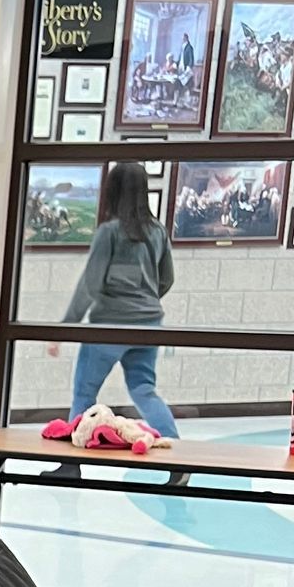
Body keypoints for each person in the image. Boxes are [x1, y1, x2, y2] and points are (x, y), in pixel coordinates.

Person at [62, 158, 178, 439]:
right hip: (149, 324)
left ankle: (70, 465)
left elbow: (91, 283)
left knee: (84, 394)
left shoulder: (109, 232)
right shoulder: (157, 231)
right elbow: (166, 279)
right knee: (144, 390)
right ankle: (176, 455)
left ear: (111, 191)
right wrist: (144, 302)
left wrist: (67, 324)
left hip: (109, 326)